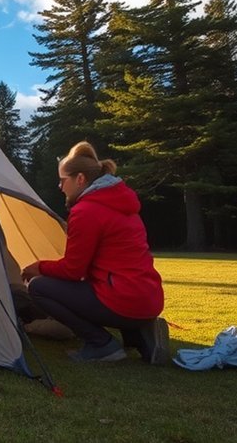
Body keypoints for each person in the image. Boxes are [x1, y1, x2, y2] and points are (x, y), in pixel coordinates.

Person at [21, 141, 169, 364]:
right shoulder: (123, 204)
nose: (61, 187)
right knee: (97, 290)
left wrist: (38, 267)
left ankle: (101, 344)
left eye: (63, 181)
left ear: (80, 179)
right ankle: (140, 334)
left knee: (39, 287)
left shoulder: (86, 210)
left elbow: (73, 270)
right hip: (149, 298)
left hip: (123, 299)